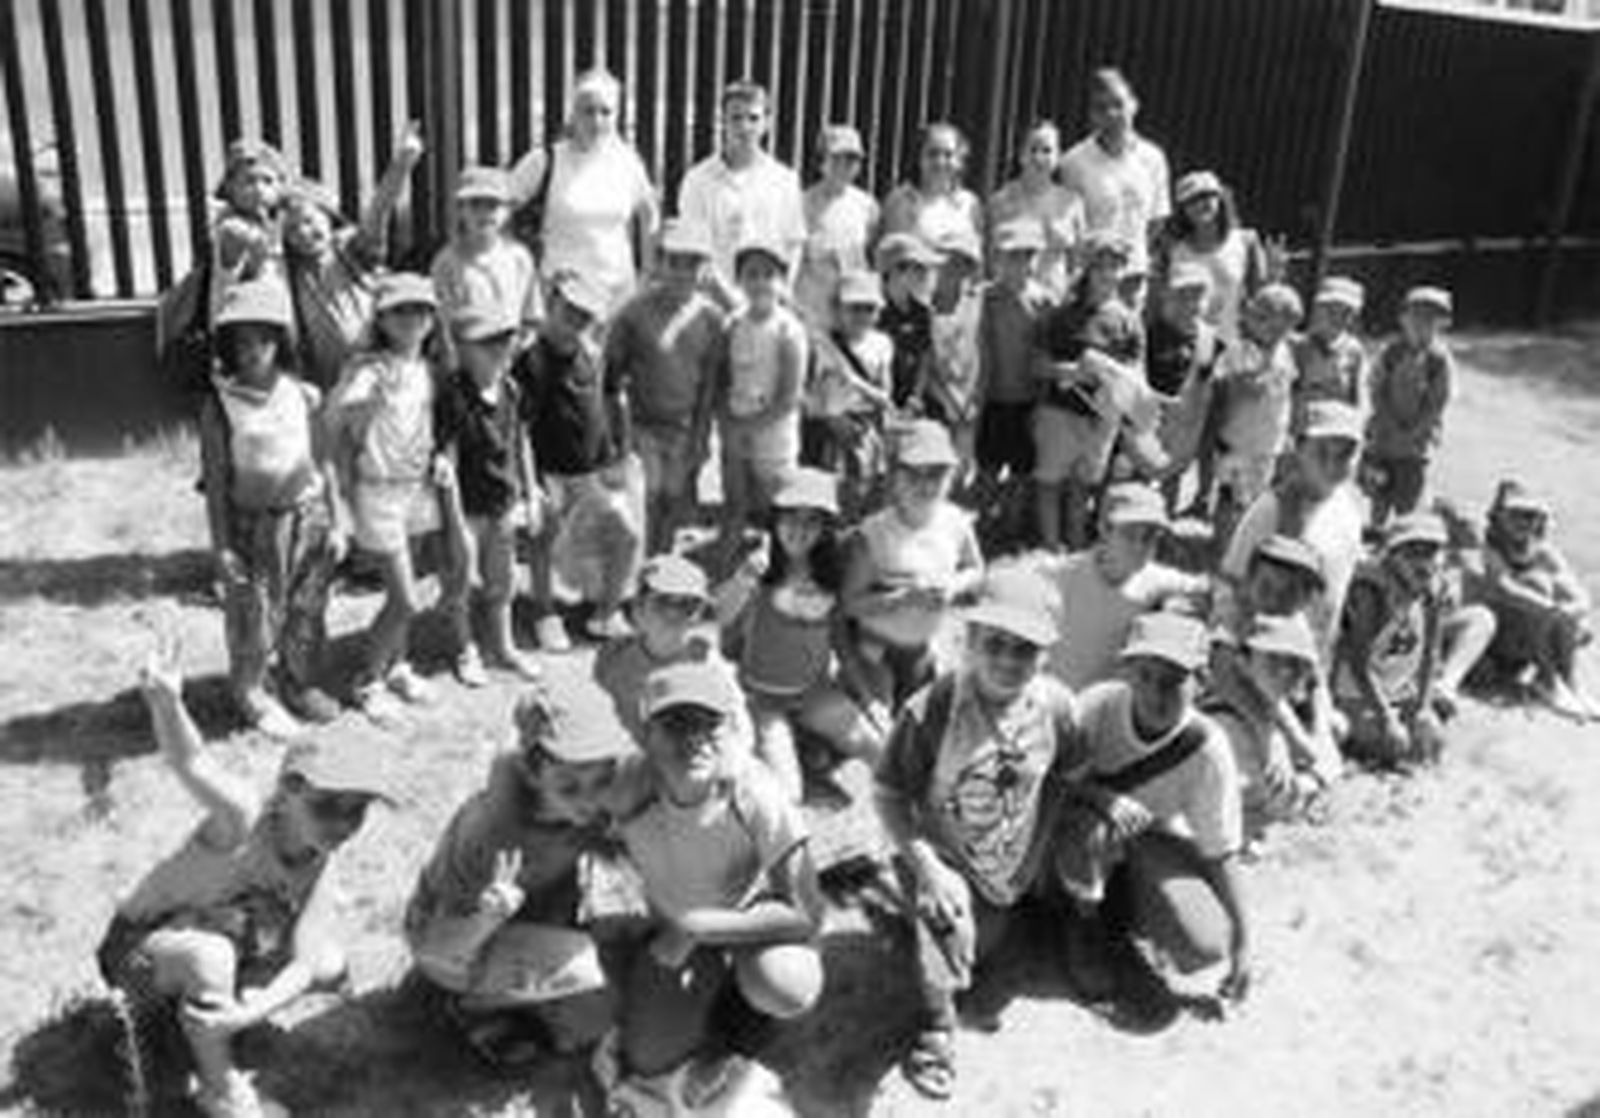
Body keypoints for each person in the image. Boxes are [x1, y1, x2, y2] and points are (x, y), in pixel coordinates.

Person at [98, 634, 389, 1118]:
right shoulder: (240, 819)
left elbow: (305, 962)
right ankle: (220, 1087)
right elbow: (192, 762)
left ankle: (207, 1018)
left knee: (328, 963)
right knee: (209, 957)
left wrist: (247, 1014)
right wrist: (167, 703)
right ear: (290, 789)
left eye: (357, 810)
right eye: (329, 805)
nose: (344, 823)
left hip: (221, 934)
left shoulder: (321, 857)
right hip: (138, 949)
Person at [874, 564, 1081, 1101]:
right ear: (969, 639)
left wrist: (1035, 853)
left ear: (1047, 655)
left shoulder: (1057, 707)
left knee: (984, 962)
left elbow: (1066, 775)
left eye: (1025, 649)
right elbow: (890, 795)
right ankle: (936, 1028)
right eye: (996, 643)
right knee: (945, 949)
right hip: (942, 856)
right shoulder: (934, 709)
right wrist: (932, 872)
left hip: (1009, 861)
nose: (1009, 661)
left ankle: (950, 924)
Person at [610, 662, 823, 1112]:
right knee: (647, 1057)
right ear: (645, 733)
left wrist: (699, 926)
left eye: (710, 723)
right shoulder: (626, 787)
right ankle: (710, 996)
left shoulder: (755, 791)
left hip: (745, 920)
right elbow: (569, 822)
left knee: (788, 984)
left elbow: (807, 913)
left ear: (731, 729)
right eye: (675, 723)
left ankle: (743, 1026)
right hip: (670, 928)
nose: (695, 738)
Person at [405, 681, 638, 1072]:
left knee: (600, 1007)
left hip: (531, 913)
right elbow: (437, 945)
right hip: (452, 940)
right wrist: (487, 917)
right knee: (592, 980)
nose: (590, 801)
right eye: (569, 787)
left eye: (601, 781)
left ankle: (523, 983)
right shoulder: (493, 833)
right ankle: (470, 1005)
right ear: (533, 771)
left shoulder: (586, 800)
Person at [1061, 612, 1251, 1022]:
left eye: (1173, 680)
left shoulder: (1207, 747)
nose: (1156, 692)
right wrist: (1102, 799)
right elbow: (1051, 780)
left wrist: (1244, 943)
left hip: (1143, 838)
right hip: (1078, 827)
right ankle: (1082, 926)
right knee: (1090, 833)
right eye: (1145, 676)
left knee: (1205, 944)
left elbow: (1222, 850)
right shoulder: (1098, 706)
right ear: (1127, 671)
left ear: (1201, 682)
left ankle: (1125, 912)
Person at [197, 280, 341, 738]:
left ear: (281, 340)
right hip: (252, 527)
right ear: (228, 346)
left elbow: (325, 461)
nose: (253, 349)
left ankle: (299, 682)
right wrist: (221, 547)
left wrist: (337, 520)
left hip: (307, 517)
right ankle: (251, 693)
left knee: (306, 607)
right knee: (254, 613)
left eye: (263, 337)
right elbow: (216, 484)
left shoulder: (303, 395)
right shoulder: (219, 406)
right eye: (242, 340)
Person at [325, 273, 451, 720]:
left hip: (415, 489)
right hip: (378, 493)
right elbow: (339, 432)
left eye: (420, 309)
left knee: (410, 584)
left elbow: (421, 427)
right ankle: (369, 680)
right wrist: (341, 498)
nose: (411, 318)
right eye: (400, 310)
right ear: (382, 318)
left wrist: (435, 458)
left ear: (433, 318)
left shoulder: (424, 369)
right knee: (404, 599)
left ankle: (398, 665)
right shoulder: (369, 370)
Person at [717, 468, 881, 802]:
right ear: (774, 521)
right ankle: (793, 757)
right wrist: (743, 579)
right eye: (790, 518)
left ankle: (929, 819)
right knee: (787, 793)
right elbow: (719, 616)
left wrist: (867, 699)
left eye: (812, 521)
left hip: (814, 692)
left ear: (825, 528)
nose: (799, 530)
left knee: (879, 747)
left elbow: (840, 641)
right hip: (763, 699)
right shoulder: (759, 567)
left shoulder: (831, 572)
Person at [517, 270, 639, 649]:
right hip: (549, 473)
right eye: (568, 311)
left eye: (585, 316)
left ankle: (605, 613)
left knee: (626, 534)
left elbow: (612, 402)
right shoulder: (530, 362)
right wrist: (531, 483)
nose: (575, 322)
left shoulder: (593, 354)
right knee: (543, 541)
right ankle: (544, 612)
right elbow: (519, 429)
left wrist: (620, 452)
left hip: (593, 471)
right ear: (551, 304)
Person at [840, 420, 985, 726]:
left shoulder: (955, 521)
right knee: (881, 729)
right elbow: (850, 603)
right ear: (894, 477)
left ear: (951, 476)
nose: (926, 483)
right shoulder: (875, 533)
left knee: (930, 724)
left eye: (936, 473)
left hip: (924, 648)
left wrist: (953, 586)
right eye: (914, 473)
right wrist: (903, 597)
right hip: (877, 649)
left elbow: (976, 569)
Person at [434, 306, 544, 686]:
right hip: (467, 508)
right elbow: (447, 460)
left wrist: (530, 494)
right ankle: (465, 649)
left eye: (504, 340)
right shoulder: (453, 394)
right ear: (463, 348)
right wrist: (454, 524)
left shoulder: (511, 389)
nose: (499, 349)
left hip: (504, 504)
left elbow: (522, 442)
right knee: (460, 581)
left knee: (503, 582)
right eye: (486, 343)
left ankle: (505, 646)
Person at [603, 219, 726, 554]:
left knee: (673, 497)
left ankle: (662, 559)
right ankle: (639, 563)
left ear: (704, 270)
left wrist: (701, 435)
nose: (682, 273)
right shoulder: (635, 312)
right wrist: (616, 434)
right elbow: (610, 375)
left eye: (692, 264)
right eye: (674, 262)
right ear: (660, 263)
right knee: (649, 494)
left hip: (684, 426)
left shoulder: (711, 319)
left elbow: (709, 385)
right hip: (643, 424)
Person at [1335, 512, 1495, 767]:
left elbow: (1430, 652)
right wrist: (1387, 717)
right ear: (1392, 556)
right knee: (1393, 747)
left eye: (1431, 552)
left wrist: (1422, 708)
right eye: (1412, 552)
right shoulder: (1372, 593)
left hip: (1400, 687)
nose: (1423, 561)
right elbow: (1359, 664)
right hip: (1358, 692)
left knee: (1433, 743)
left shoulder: (1433, 589)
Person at [1221, 400, 1368, 671]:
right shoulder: (1272, 509)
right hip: (1267, 658)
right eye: (1322, 450)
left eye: (1345, 453)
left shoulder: (1349, 506)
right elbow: (1233, 583)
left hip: (1314, 653)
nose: (1333, 462)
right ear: (1299, 449)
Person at [281, 122, 426, 390]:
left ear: (327, 216)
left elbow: (378, 212)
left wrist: (401, 165)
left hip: (378, 375)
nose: (302, 232)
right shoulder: (291, 268)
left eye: (309, 221)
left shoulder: (349, 249)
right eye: (292, 229)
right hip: (328, 385)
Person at [508, 68, 660, 317]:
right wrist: (516, 267)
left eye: (606, 112)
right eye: (588, 111)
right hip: (563, 300)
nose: (597, 121)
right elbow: (500, 206)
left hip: (618, 298)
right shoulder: (545, 160)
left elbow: (649, 212)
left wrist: (647, 272)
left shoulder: (628, 162)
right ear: (573, 113)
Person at [1032, 232, 1146, 552]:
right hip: (1059, 411)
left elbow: (1136, 376)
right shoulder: (1062, 314)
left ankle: (1077, 543)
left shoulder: (1130, 322)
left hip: (1101, 416)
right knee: (1050, 481)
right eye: (1100, 266)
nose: (1108, 274)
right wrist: (1066, 371)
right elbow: (1037, 363)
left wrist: (1111, 378)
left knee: (1082, 485)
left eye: (1115, 266)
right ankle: (1051, 546)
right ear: (1087, 268)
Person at [1041, 483, 1205, 692]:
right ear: (1104, 529)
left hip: (1105, 704)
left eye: (1150, 537)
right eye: (1129, 534)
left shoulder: (1154, 579)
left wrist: (1177, 606)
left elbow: (1205, 590)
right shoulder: (1061, 576)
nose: (1139, 546)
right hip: (1055, 694)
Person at [714, 238, 809, 576]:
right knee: (734, 506)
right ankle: (721, 578)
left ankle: (781, 577)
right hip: (735, 433)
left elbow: (788, 398)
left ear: (781, 280)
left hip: (775, 439)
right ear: (740, 280)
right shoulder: (732, 324)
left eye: (768, 274)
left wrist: (747, 429)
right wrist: (728, 426)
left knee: (779, 511)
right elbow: (722, 380)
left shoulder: (790, 331)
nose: (760, 282)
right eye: (751, 274)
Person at [677, 81, 806, 310]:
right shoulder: (697, 180)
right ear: (722, 122)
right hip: (711, 306)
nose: (745, 126)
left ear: (767, 123)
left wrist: (780, 292)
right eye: (736, 118)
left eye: (753, 118)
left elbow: (793, 244)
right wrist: (731, 301)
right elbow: (694, 249)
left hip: (768, 309)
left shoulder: (785, 180)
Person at [594, 553, 745, 748]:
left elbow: (733, 727)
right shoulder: (612, 660)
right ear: (637, 611)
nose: (674, 614)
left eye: (687, 605)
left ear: (697, 615)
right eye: (662, 603)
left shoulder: (706, 660)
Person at [1480, 480, 1596, 720]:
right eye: (1517, 515)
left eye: (1531, 516)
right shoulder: (1488, 548)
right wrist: (1553, 610)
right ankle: (1547, 679)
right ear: (1499, 516)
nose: (1525, 522)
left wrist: (1569, 611)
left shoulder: (1542, 550)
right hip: (1498, 640)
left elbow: (1579, 595)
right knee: (1538, 585)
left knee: (1561, 593)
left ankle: (1569, 682)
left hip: (1536, 632)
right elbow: (1505, 589)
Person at [972, 221, 1053, 550]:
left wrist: (1043, 401)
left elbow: (1048, 351)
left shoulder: (1044, 301)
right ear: (997, 259)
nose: (1018, 264)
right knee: (988, 467)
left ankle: (1011, 527)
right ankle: (982, 524)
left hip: (1028, 401)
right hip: (992, 399)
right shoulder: (984, 297)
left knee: (1021, 470)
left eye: (1026, 256)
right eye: (1011, 257)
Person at [1205, 612, 1325, 824]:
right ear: (1243, 663)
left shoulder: (1270, 699)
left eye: (1296, 661)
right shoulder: (1226, 725)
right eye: (1274, 658)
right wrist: (1309, 784)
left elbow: (1313, 755)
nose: (1287, 670)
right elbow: (1277, 804)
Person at [1205, 282, 1304, 540]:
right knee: (1230, 497)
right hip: (1238, 439)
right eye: (1267, 322)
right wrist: (1247, 381)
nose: (1275, 331)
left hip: (1269, 441)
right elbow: (1226, 388)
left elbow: (1287, 392)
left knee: (1256, 496)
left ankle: (1244, 542)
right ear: (1251, 319)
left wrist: (1290, 431)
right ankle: (1222, 544)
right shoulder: (1240, 350)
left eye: (1283, 326)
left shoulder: (1284, 352)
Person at [1058, 69, 1171, 284]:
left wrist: (1132, 256)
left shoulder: (1153, 158)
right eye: (1101, 108)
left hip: (1134, 277)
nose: (1111, 114)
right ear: (1092, 115)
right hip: (1091, 278)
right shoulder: (1073, 162)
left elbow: (1156, 220)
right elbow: (1069, 226)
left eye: (1119, 104)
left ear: (1134, 105)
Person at [802, 270, 895, 517]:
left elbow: (885, 392)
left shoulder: (882, 344)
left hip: (865, 426)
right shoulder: (823, 343)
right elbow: (810, 394)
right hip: (828, 427)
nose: (861, 315)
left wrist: (879, 421)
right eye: (854, 307)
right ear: (838, 309)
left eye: (869, 308)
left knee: (866, 484)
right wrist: (832, 420)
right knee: (827, 485)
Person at [1363, 286, 1455, 529]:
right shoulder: (1391, 352)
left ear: (1441, 323)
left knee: (1409, 495)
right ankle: (1375, 532)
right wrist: (1388, 421)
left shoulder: (1440, 359)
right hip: (1383, 438)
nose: (1421, 323)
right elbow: (1376, 389)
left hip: (1416, 445)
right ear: (1403, 318)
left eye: (1429, 319)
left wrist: (1416, 430)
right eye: (1415, 316)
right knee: (1379, 491)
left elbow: (1438, 400)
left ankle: (1405, 535)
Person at [1150, 170, 1273, 345]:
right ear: (1182, 210)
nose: (1200, 204)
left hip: (1228, 346)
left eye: (1207, 196)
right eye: (1191, 200)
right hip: (1177, 347)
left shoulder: (1246, 242)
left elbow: (1260, 298)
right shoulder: (1171, 248)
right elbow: (1157, 300)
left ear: (1221, 199)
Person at [1139, 261, 1225, 513]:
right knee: (1141, 474)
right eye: (1182, 295)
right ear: (1168, 296)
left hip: (1187, 424)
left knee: (1173, 475)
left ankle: (1164, 522)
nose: (1189, 302)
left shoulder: (1210, 337)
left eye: (1196, 295)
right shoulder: (1152, 333)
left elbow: (1210, 378)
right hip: (1152, 419)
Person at [431, 166, 543, 355]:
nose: (484, 214)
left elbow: (532, 317)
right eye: (475, 204)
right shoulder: (447, 263)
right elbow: (443, 327)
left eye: (492, 205)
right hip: (468, 362)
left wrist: (519, 349)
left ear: (507, 211)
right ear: (461, 210)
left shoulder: (520, 258)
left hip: (512, 358)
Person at [986, 120, 1086, 300]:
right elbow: (990, 259)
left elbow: (1078, 263)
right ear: (1021, 155)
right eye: (1032, 149)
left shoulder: (1072, 203)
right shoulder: (999, 201)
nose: (1039, 157)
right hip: (1009, 305)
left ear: (1058, 156)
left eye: (1047, 150)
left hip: (1054, 306)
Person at [794, 124, 881, 329]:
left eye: (851, 159)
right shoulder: (802, 204)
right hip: (813, 313)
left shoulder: (867, 206)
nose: (844, 165)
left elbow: (870, 256)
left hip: (851, 315)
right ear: (821, 161)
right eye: (836, 158)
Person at [208, 139, 291, 327]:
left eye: (268, 181)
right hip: (238, 326)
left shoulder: (274, 225)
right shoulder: (230, 226)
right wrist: (258, 246)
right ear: (230, 187)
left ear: (279, 188)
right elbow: (247, 258)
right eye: (249, 181)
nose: (259, 189)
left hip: (275, 322)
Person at [881, 123, 986, 256]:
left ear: (959, 161)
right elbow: (891, 258)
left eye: (948, 155)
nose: (940, 162)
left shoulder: (970, 204)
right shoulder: (899, 201)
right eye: (933, 153)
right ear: (919, 158)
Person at [1289, 276, 1368, 436]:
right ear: (1318, 310)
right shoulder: (1299, 346)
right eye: (1331, 311)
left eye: (1346, 312)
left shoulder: (1354, 350)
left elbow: (1359, 393)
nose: (1337, 318)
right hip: (1303, 428)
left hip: (1338, 427)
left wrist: (1359, 423)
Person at [876, 232, 942, 412]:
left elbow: (925, 358)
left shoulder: (922, 313)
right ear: (897, 270)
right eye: (918, 268)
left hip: (911, 405)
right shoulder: (873, 312)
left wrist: (915, 397)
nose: (925, 275)